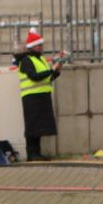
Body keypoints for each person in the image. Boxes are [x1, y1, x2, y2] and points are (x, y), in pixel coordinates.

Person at [15, 27, 64, 161]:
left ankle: (37, 153)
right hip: (31, 98)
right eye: (39, 45)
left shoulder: (40, 59)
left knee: (39, 127)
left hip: (41, 96)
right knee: (32, 126)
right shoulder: (26, 60)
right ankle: (32, 154)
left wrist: (56, 71)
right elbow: (34, 77)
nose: (42, 47)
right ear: (33, 46)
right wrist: (51, 70)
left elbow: (47, 78)